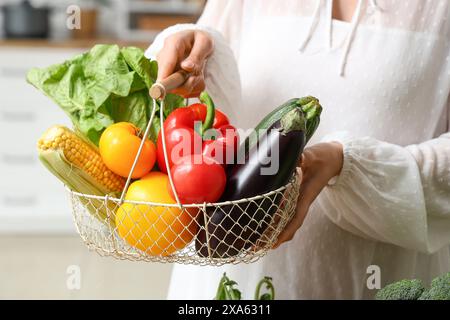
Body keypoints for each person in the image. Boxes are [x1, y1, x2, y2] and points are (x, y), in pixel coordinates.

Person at [145, 0, 450, 299]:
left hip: (375, 280)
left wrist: (348, 163)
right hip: (225, 278)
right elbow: (206, 112)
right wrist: (197, 50)